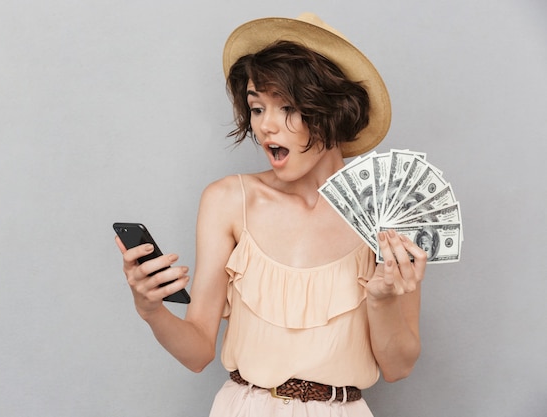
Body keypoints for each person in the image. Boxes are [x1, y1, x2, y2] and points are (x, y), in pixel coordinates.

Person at [116, 13, 427, 417]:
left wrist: (383, 301)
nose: (266, 127)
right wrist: (151, 310)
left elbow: (399, 367)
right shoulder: (227, 200)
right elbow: (196, 353)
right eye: (257, 108)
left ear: (332, 111)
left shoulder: (388, 213)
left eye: (288, 108)